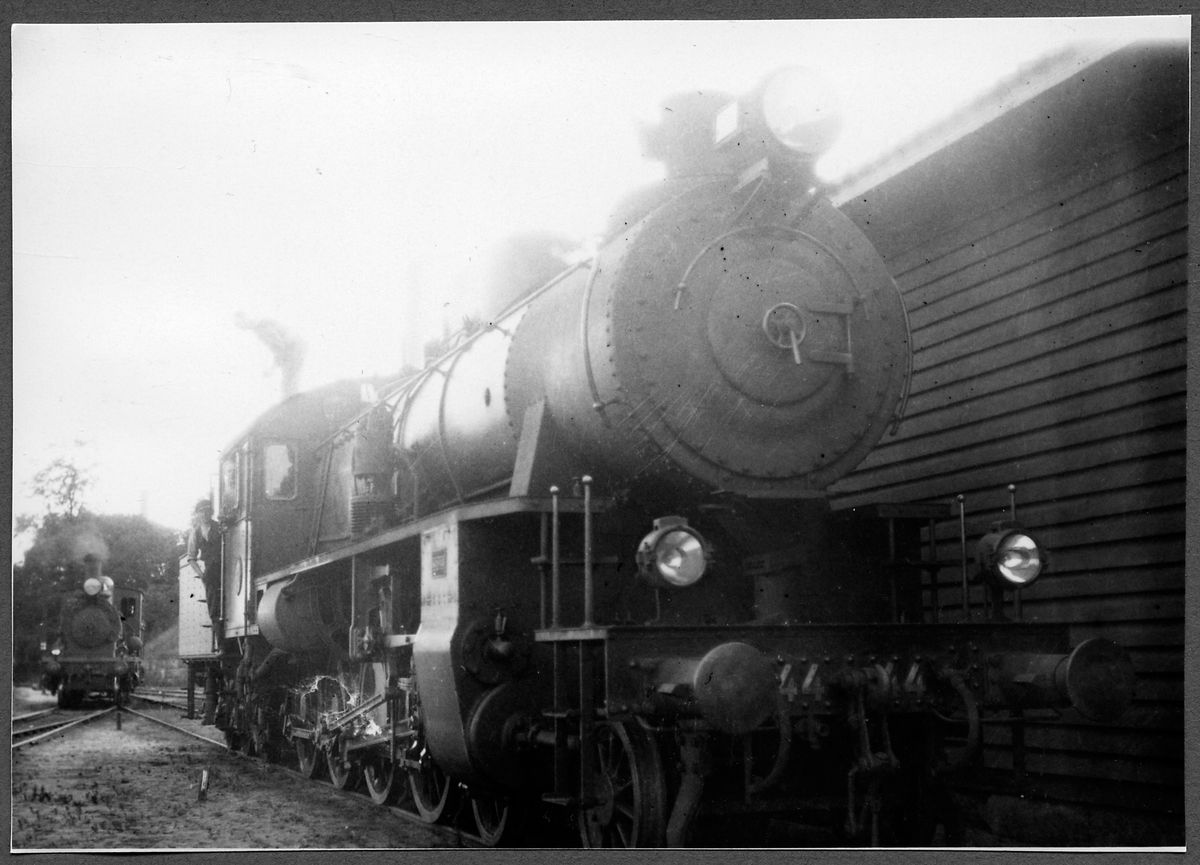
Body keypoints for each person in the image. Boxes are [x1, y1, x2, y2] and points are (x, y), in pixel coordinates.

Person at [186, 499, 223, 625]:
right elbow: (191, 557)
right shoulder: (195, 533)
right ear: (197, 514)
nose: (204, 513)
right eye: (201, 511)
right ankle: (218, 631)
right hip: (210, 572)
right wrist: (201, 575)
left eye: (207, 510)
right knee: (213, 605)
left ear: (211, 512)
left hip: (224, 567)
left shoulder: (221, 527)